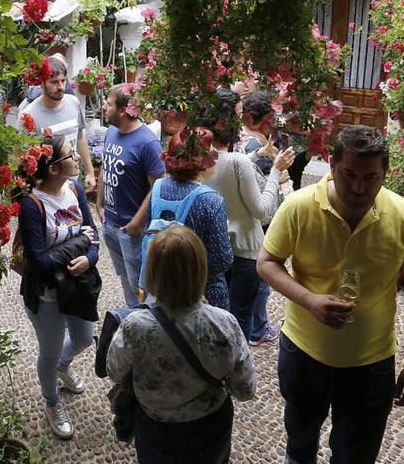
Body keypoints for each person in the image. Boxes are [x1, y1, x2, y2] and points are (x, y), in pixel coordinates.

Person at [257, 124, 404, 464]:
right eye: (348, 174)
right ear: (332, 165)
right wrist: (309, 300)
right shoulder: (298, 207)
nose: (358, 187)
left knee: (355, 454)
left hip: (371, 363)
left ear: (386, 171)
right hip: (304, 353)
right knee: (300, 438)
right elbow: (267, 263)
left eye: (370, 177)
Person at [107, 224, 256, 464]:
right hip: (209, 428)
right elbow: (245, 389)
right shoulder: (224, 324)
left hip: (156, 429)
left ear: (152, 272)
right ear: (201, 269)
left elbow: (114, 370)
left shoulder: (135, 326)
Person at [16, 132, 101, 440]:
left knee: (83, 339)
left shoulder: (75, 188)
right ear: (53, 168)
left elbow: (93, 233)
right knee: (49, 353)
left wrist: (89, 259)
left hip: (75, 285)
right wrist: (80, 243)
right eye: (70, 155)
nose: (78, 157)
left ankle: (65, 367)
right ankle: (52, 402)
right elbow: (39, 262)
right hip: (46, 293)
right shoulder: (32, 205)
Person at [203, 89, 295, 346]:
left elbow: (228, 167)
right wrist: (276, 171)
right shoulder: (238, 163)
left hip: (218, 245)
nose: (242, 121)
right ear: (223, 121)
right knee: (240, 318)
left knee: (220, 311)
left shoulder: (204, 155)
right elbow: (263, 211)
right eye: (238, 115)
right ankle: (237, 368)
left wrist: (256, 155)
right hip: (244, 250)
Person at [132, 127, 232, 309]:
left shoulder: (158, 187)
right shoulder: (211, 200)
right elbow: (221, 259)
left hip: (162, 292)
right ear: (203, 161)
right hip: (203, 296)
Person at [99, 83, 164, 307]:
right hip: (110, 224)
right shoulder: (111, 132)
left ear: (124, 110)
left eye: (108, 104)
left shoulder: (148, 143)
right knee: (125, 279)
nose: (104, 107)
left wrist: (137, 222)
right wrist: (99, 204)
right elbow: (106, 167)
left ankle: (144, 324)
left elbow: (158, 185)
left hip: (132, 230)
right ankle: (132, 318)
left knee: (140, 283)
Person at [18, 55, 96, 194]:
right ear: (42, 84)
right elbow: (20, 156)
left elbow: (80, 138)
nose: (60, 86)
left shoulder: (73, 102)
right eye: (54, 82)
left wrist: (90, 172)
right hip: (45, 191)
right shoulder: (28, 115)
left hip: (73, 185)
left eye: (63, 81)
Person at [239, 89, 307, 191]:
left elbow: (287, 125)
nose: (274, 122)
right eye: (270, 117)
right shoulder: (255, 147)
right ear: (251, 121)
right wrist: (275, 179)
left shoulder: (264, 130)